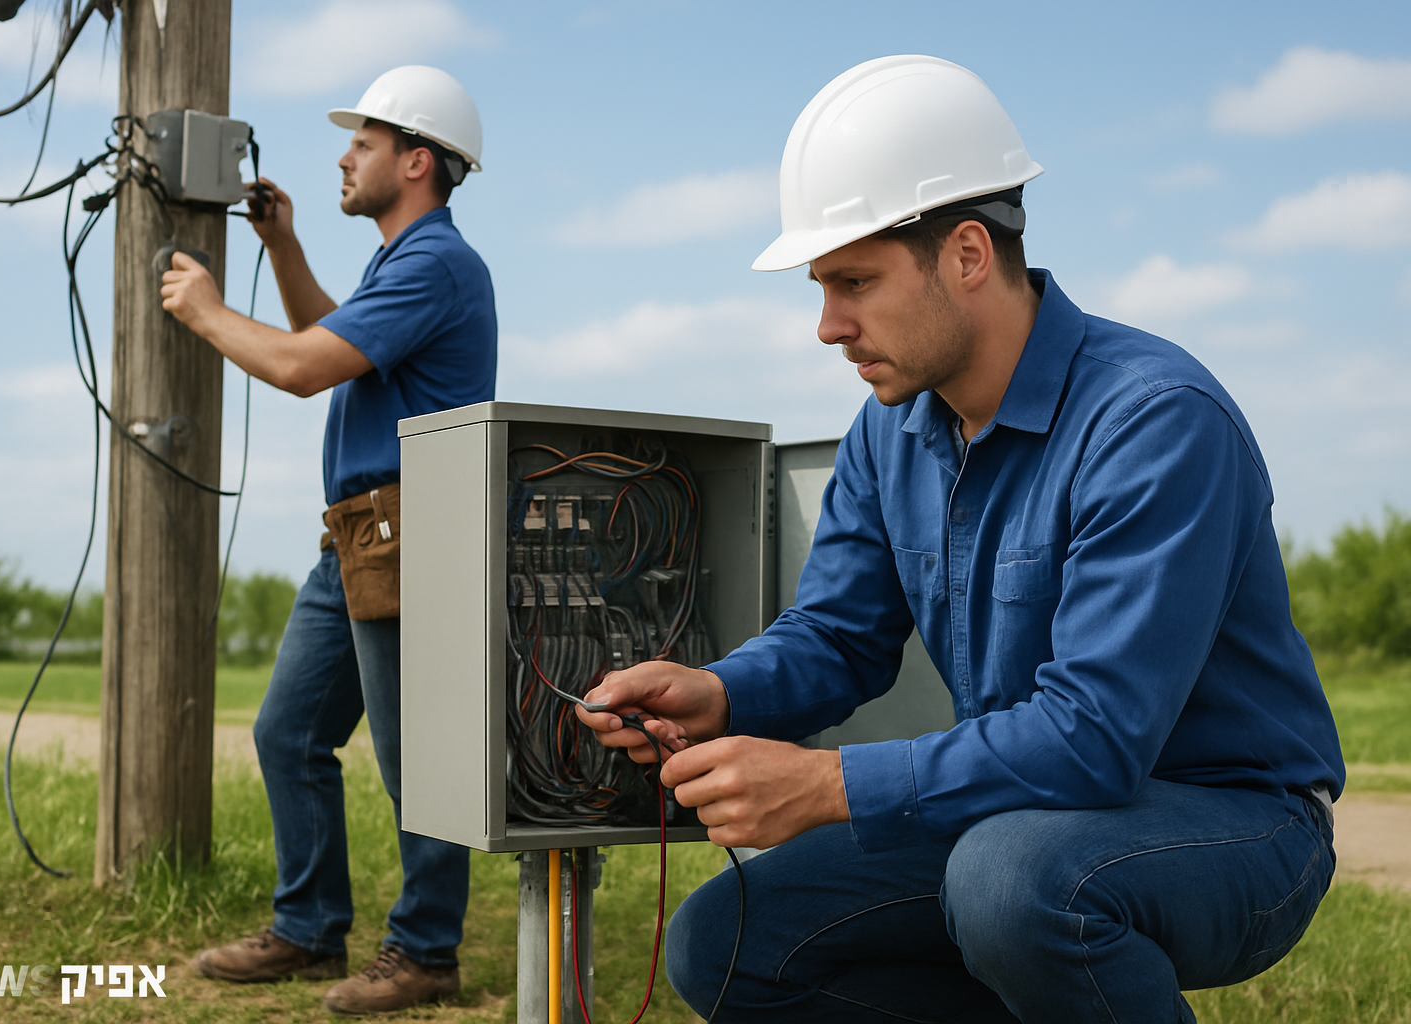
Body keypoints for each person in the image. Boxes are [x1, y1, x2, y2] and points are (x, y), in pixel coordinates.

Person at [577, 55, 1344, 1024]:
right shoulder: (889, 429)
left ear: (969, 253)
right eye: (820, 286)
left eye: (854, 280)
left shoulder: (1154, 419)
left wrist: (823, 782)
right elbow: (840, 635)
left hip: (1235, 820)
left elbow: (1094, 737)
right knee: (724, 941)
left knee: (1011, 881)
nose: (827, 325)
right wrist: (723, 689)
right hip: (1023, 813)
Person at [160, 65, 495, 1016]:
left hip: (413, 531)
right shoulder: (400, 262)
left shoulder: (437, 264)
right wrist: (283, 244)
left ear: (416, 162)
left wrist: (205, 309)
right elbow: (328, 333)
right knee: (290, 733)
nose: (344, 156)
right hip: (358, 535)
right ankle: (309, 931)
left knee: (416, 760)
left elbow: (306, 367)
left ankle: (426, 953)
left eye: (364, 144)